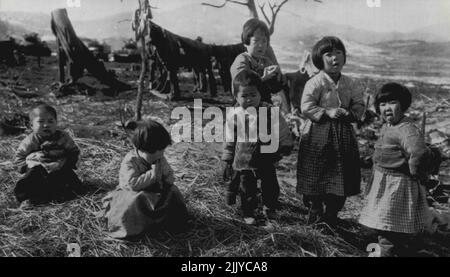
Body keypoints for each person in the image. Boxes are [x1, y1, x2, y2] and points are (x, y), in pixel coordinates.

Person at [359, 83, 435, 256]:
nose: (386, 108)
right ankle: (394, 247)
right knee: (384, 220)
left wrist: (417, 172)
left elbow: (418, 151)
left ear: (403, 104)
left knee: (390, 223)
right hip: (384, 183)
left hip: (397, 186)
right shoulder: (388, 126)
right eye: (383, 104)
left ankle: (387, 250)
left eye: (392, 102)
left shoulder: (406, 129)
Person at [296, 36, 365, 227]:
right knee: (316, 173)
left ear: (344, 57)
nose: (334, 58)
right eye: (329, 54)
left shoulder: (351, 83)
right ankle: (315, 210)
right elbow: (306, 107)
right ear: (319, 59)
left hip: (343, 136)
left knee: (341, 174)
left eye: (338, 53)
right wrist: (327, 111)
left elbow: (359, 104)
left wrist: (351, 114)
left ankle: (332, 214)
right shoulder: (315, 82)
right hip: (318, 136)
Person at [222, 70, 293, 225]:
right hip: (244, 159)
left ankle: (270, 208)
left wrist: (285, 143)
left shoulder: (268, 111)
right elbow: (229, 138)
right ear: (236, 97)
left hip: (266, 156)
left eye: (253, 95)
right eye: (244, 96)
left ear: (260, 94)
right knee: (247, 187)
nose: (249, 99)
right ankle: (248, 211)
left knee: (270, 185)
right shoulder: (235, 115)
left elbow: (280, 127)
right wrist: (228, 156)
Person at [102, 119, 188, 238]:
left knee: (173, 191)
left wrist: (168, 179)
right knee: (134, 202)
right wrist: (152, 175)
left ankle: (173, 223)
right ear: (141, 149)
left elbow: (168, 172)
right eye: (156, 151)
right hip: (134, 195)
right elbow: (131, 184)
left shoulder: (158, 158)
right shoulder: (130, 161)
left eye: (162, 150)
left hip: (155, 193)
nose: (161, 154)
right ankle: (135, 229)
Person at [14, 103, 82, 207]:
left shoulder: (63, 137)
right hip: (38, 168)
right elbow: (20, 156)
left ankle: (62, 195)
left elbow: (73, 151)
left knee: (73, 184)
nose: (46, 125)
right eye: (41, 121)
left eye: (51, 121)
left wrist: (69, 163)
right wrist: (25, 168)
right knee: (30, 182)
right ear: (31, 125)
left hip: (59, 166)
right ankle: (29, 199)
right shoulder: (30, 141)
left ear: (56, 123)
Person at [230, 18, 284, 104]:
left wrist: (277, 76)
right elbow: (243, 88)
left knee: (275, 113)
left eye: (264, 41)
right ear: (246, 42)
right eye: (256, 41)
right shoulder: (242, 61)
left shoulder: (266, 62)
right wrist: (264, 78)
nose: (260, 45)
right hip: (245, 103)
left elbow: (275, 89)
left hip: (263, 102)